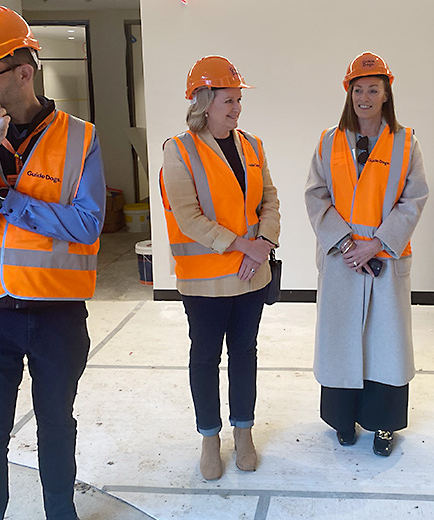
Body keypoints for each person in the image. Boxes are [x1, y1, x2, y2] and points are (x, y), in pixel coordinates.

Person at [0, 5, 105, 520]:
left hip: (55, 312)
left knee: (58, 422)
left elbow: (87, 225)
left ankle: (61, 513)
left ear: (23, 72)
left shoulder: (82, 137)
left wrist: (11, 202)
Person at [159, 55, 280, 480]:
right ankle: (210, 437)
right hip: (205, 283)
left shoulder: (252, 145)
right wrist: (244, 245)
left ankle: (243, 433)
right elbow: (188, 217)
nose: (236, 108)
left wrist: (263, 243)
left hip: (251, 274)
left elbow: (269, 199)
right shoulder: (178, 151)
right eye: (228, 100)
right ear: (204, 101)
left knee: (244, 353)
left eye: (238, 99)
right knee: (206, 357)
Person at [304, 52, 428, 457]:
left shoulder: (407, 142)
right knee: (341, 340)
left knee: (385, 344)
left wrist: (376, 244)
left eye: (373, 88)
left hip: (384, 261)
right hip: (343, 260)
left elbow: (413, 199)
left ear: (386, 93)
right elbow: (316, 195)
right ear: (348, 93)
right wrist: (344, 243)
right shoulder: (328, 140)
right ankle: (342, 419)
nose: (365, 96)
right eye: (358, 89)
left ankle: (384, 424)